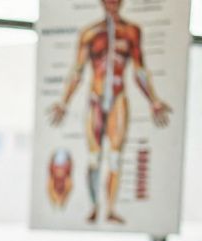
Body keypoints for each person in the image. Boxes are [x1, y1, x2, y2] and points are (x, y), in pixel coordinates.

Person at [48, 0, 171, 224]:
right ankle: (95, 206)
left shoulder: (131, 32)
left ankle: (111, 208)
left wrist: (153, 100)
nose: (112, 4)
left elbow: (139, 70)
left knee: (114, 158)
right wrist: (64, 102)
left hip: (118, 99)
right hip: (95, 99)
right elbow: (77, 71)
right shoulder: (90, 33)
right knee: (95, 158)